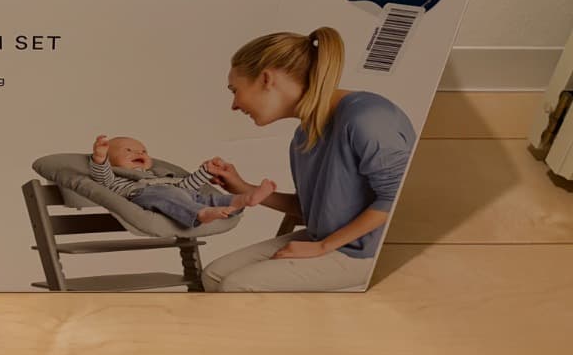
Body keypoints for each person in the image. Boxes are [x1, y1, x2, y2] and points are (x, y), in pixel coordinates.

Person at [200, 26, 416, 292]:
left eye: (235, 90)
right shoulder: (304, 135)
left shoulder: (369, 118)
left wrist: (323, 247)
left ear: (266, 79)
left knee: (237, 287)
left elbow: (397, 198)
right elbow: (312, 209)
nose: (234, 105)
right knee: (213, 276)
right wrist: (244, 188)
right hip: (328, 239)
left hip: (368, 250)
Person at [88, 134, 276, 226]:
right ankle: (201, 213)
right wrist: (100, 157)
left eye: (143, 151)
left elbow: (186, 186)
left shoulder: (157, 175)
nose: (139, 153)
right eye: (128, 150)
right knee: (165, 196)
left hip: (180, 195)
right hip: (144, 197)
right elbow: (101, 175)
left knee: (206, 198)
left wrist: (206, 171)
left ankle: (243, 199)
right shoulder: (116, 178)